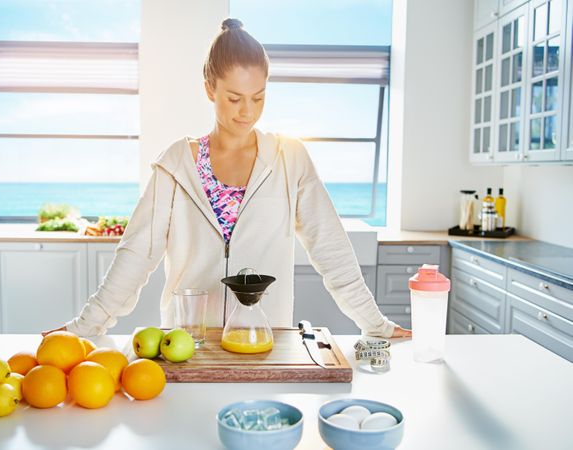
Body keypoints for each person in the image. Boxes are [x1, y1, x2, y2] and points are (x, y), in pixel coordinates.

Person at [43, 18, 411, 339]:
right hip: (187, 342)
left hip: (264, 340)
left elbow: (330, 247)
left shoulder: (290, 158)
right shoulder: (176, 163)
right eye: (234, 98)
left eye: (258, 97)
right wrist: (86, 325)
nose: (247, 111)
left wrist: (375, 323)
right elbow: (138, 252)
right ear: (209, 88)